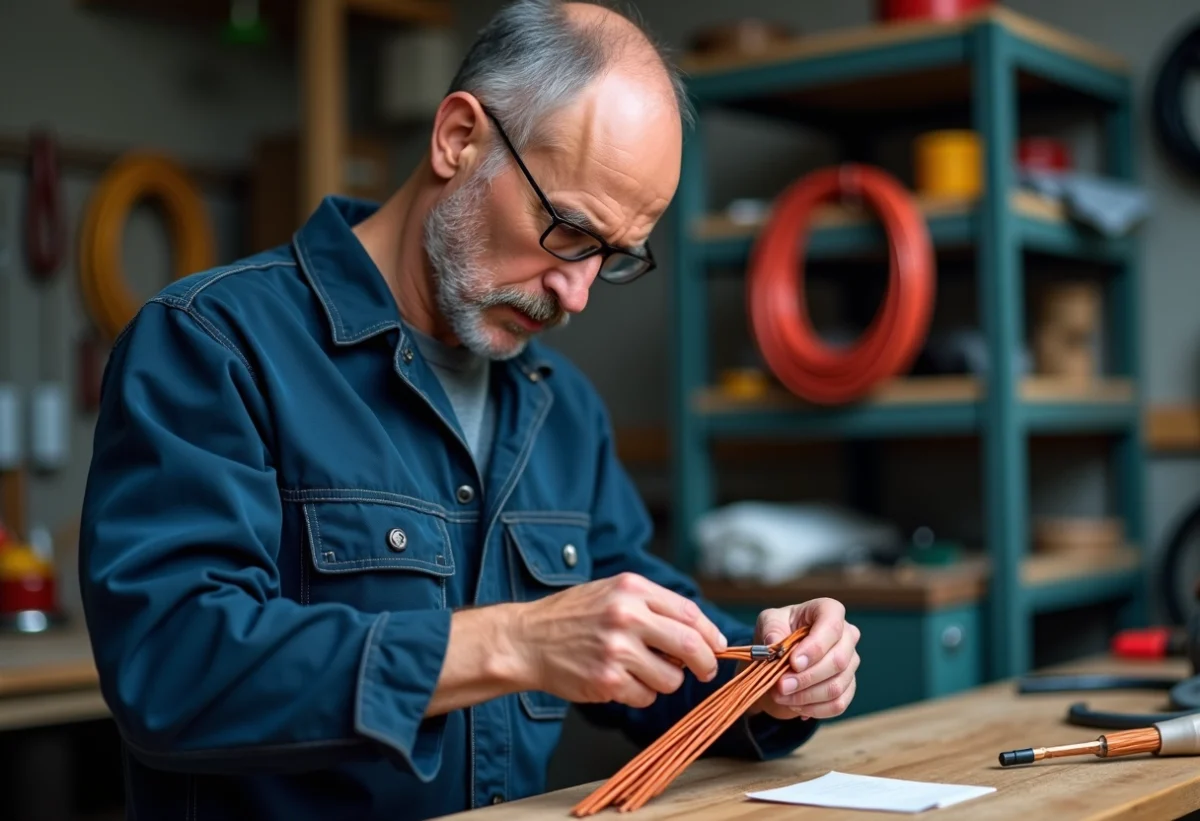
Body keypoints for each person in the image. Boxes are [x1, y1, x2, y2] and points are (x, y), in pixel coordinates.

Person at [78, 1, 861, 819]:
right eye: (566, 230)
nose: (578, 291)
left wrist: (770, 677)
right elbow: (171, 669)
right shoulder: (214, 344)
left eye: (614, 259)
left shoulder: (562, 412)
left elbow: (645, 655)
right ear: (458, 137)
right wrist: (514, 642)